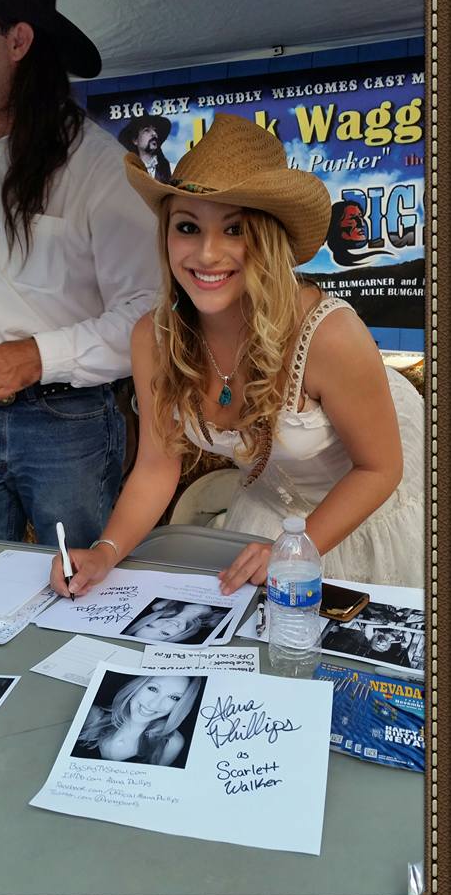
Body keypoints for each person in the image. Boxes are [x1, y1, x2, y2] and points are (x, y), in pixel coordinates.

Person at [50, 112, 424, 600]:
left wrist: (295, 548)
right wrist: (105, 552)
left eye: (235, 229)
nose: (207, 254)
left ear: (269, 239)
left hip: (368, 516)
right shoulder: (153, 338)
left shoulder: (329, 335)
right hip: (270, 520)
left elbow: (379, 470)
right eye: (187, 227)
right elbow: (157, 467)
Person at [0, 0, 160, 546]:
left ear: (18, 40)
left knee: (81, 577)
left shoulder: (97, 165)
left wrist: (39, 355)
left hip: (65, 422)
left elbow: (148, 313)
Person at [71, 675, 202, 766]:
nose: (153, 704)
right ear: (137, 687)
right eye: (153, 689)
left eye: (174, 698)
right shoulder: (93, 715)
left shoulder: (170, 743)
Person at [121, 599, 224, 643]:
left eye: (150, 626)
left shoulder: (160, 605)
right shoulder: (213, 624)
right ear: (178, 637)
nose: (164, 625)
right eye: (165, 633)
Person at [117, 112, 172, 181]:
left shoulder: (171, 169)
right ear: (135, 140)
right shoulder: (127, 172)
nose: (154, 134)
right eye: (147, 130)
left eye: (155, 130)